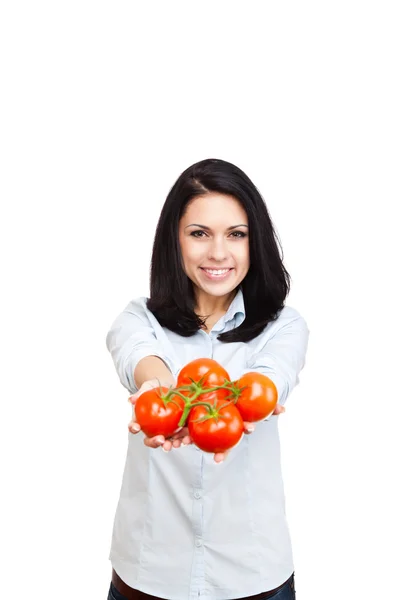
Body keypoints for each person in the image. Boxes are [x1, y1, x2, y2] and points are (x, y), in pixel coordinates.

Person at [105, 158, 309, 600]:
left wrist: (255, 398)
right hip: (148, 577)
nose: (218, 253)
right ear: (173, 241)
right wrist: (159, 391)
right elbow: (141, 356)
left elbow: (272, 376)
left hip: (252, 578)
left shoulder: (284, 326)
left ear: (256, 243)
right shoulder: (138, 317)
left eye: (236, 234)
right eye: (199, 234)